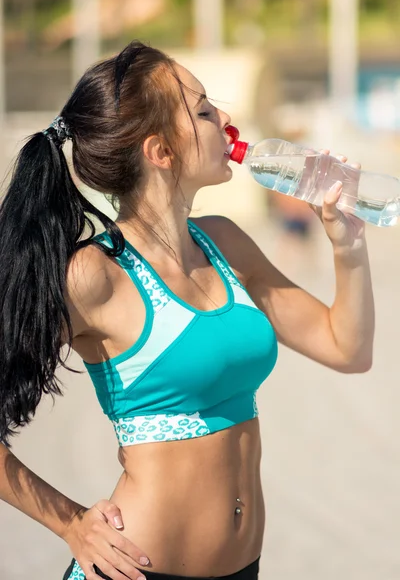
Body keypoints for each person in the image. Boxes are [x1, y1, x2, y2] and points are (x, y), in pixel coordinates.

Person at [0, 40, 374, 580]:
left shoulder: (225, 244)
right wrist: (70, 522)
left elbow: (348, 348)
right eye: (202, 110)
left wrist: (347, 243)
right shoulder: (94, 276)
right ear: (160, 151)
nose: (226, 118)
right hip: (136, 570)